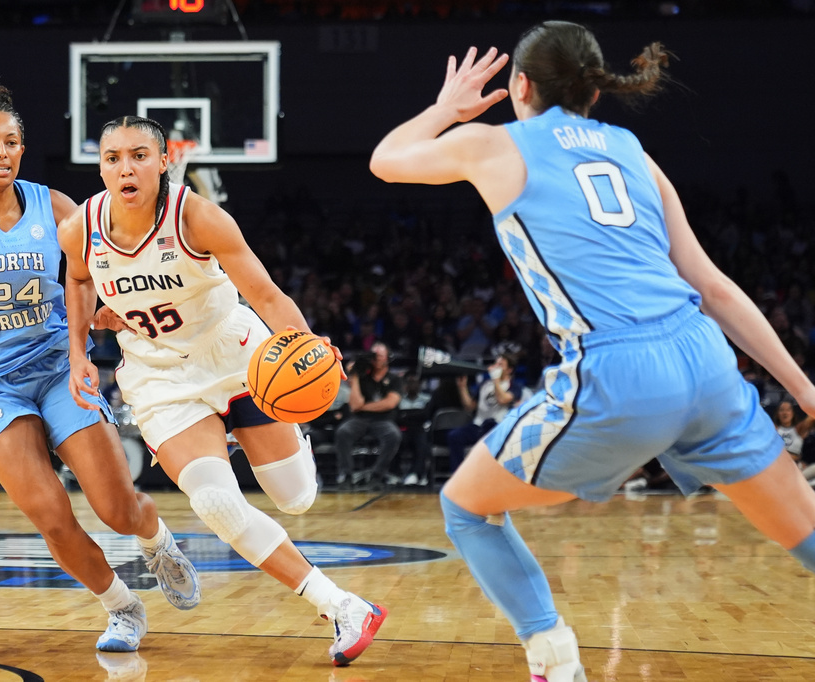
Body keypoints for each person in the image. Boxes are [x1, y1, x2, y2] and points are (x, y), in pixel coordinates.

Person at [370, 21, 815, 682]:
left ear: (520, 85)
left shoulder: (491, 144)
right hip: (706, 359)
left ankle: (553, 656)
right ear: (595, 94)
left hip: (619, 369)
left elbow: (386, 159)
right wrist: (806, 390)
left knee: (466, 507)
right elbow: (714, 286)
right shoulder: (632, 149)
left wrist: (445, 108)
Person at [0, 78, 200, 653]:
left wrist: (104, 311)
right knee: (52, 515)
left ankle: (156, 541)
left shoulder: (55, 205)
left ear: (21, 150)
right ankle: (122, 607)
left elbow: (93, 273)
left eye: (9, 143)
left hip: (56, 364)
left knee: (118, 508)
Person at [57, 115, 387, 667]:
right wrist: (78, 348)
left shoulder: (199, 217)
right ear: (102, 167)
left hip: (235, 356)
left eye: (139, 155)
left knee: (295, 498)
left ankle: (265, 437)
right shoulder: (81, 228)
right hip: (160, 378)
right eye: (113, 158)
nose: (125, 167)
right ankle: (343, 607)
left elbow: (265, 293)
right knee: (213, 501)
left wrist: (308, 348)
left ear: (164, 162)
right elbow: (78, 278)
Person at [334, 342, 403, 490]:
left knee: (393, 435)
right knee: (343, 431)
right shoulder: (363, 377)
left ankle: (377, 475)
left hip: (384, 420)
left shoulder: (394, 379)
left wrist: (364, 406)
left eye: (379, 356)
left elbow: (390, 403)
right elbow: (354, 405)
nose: (376, 359)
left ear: (387, 358)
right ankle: (346, 475)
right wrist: (355, 377)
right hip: (360, 419)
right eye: (373, 356)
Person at [447, 353, 523, 471]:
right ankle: (458, 474)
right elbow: (470, 406)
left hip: (497, 427)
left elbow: (502, 399)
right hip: (478, 425)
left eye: (500, 365)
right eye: (496, 363)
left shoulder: (514, 386)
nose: (496, 366)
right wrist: (462, 387)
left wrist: (496, 380)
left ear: (509, 370)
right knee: (454, 436)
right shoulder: (485, 384)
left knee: (489, 426)